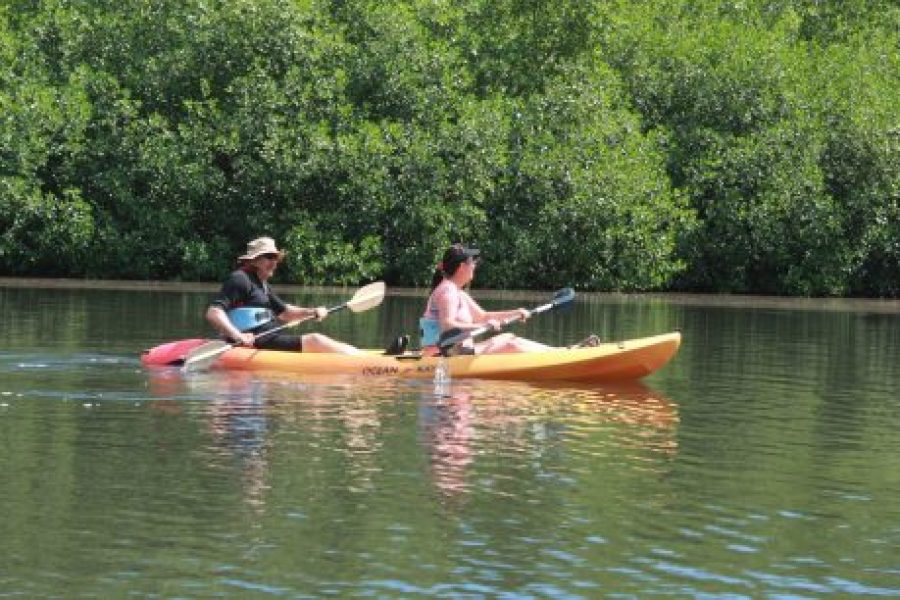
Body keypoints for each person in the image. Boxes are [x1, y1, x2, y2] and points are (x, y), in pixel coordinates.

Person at [205, 236, 361, 355]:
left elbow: (285, 313)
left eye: (276, 258)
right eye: (270, 257)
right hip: (255, 342)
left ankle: (361, 356)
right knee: (315, 339)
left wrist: (313, 312)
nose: (275, 262)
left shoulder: (262, 285)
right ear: (255, 260)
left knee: (317, 340)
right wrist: (238, 336)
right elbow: (214, 313)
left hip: (269, 339)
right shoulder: (240, 279)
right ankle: (365, 362)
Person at [420, 243, 555, 355]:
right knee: (510, 343)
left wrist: (516, 312)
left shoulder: (457, 291)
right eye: (473, 262)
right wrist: (483, 326)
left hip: (458, 353)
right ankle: (556, 356)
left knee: (507, 337)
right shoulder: (447, 290)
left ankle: (557, 353)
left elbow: (483, 316)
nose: (475, 266)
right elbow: (447, 325)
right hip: (443, 356)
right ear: (462, 266)